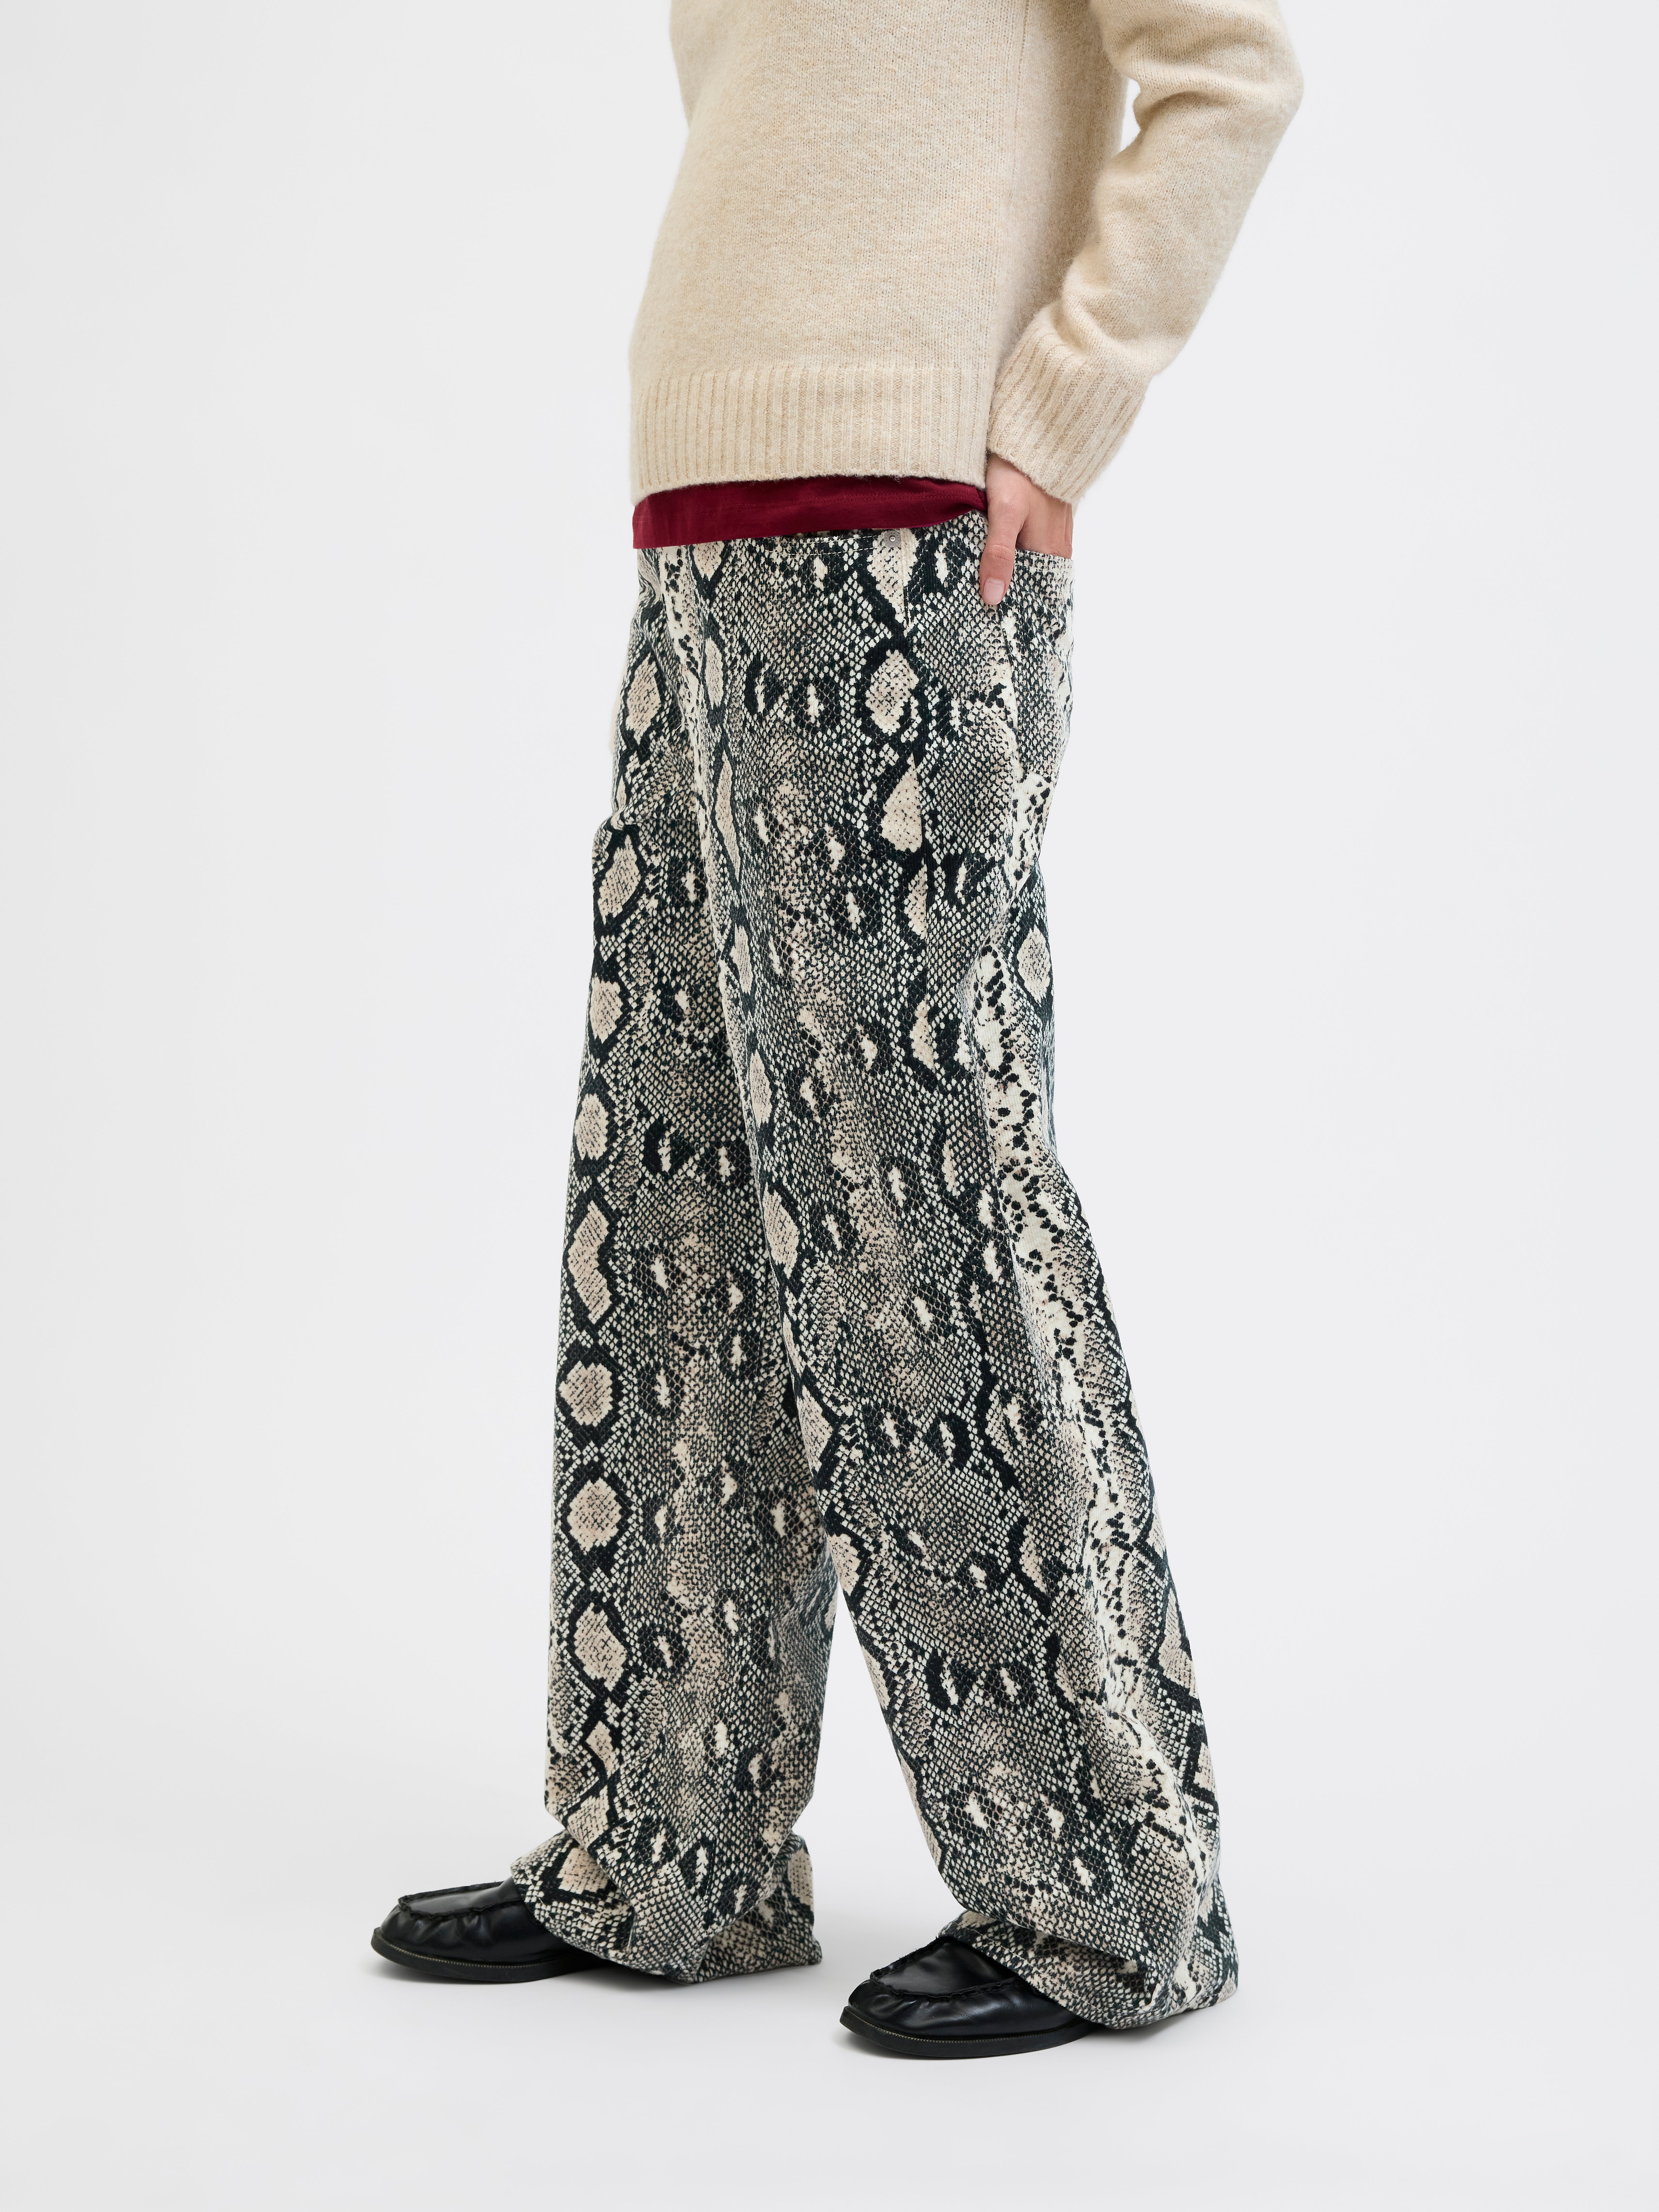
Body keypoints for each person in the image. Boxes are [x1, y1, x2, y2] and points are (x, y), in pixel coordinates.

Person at [372, 0, 1301, 2059]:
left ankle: (1110, 1890)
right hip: (712, 527)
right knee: (676, 1201)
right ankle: (669, 1847)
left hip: (897, 535)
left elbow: (1229, 69)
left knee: (924, 1221)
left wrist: (1057, 412)